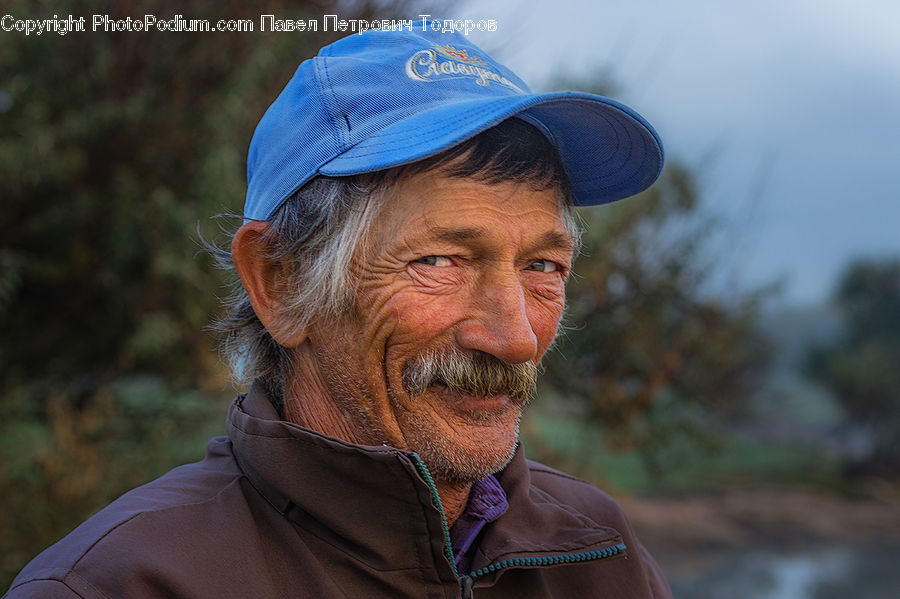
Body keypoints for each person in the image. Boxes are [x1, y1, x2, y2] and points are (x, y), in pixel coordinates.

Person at [5, 26, 670, 599]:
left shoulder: (595, 549)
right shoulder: (120, 585)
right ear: (281, 283)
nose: (516, 337)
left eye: (543, 267)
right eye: (440, 261)